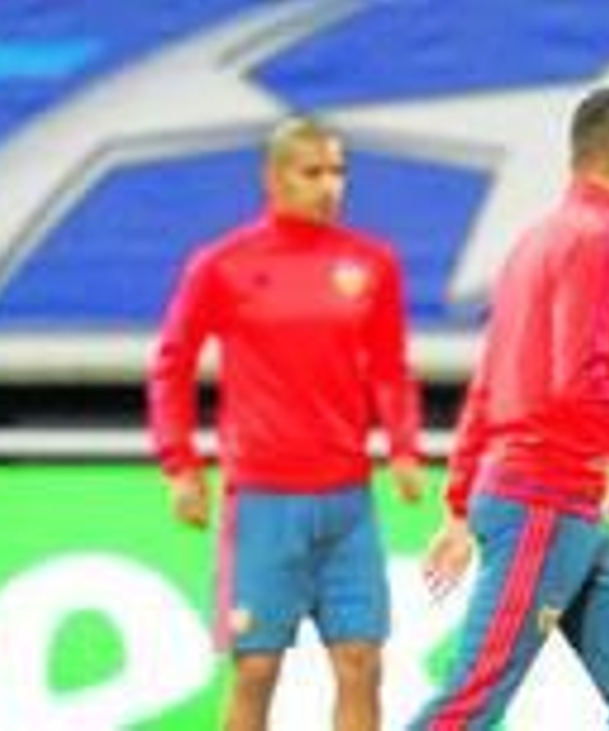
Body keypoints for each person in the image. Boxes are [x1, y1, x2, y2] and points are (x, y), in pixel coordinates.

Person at [148, 117, 425, 731]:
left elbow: (390, 366)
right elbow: (173, 364)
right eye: (314, 173)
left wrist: (403, 448)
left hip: (348, 501)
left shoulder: (370, 262)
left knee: (361, 661)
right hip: (263, 501)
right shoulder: (223, 265)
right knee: (255, 669)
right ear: (274, 178)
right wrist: (180, 465)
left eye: (339, 172)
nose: (331, 186)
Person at [412, 87, 609, 731]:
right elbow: (577, 385)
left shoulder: (534, 241)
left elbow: (487, 387)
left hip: (553, 502)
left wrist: (459, 504)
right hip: (544, 500)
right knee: (471, 705)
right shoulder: (600, 240)